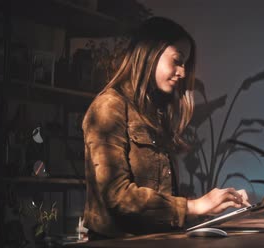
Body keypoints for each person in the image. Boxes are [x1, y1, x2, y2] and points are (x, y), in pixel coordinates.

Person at [82, 16, 250, 240]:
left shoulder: (154, 114)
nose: (182, 72)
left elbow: (161, 202)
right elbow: (118, 196)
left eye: (185, 64)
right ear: (149, 53)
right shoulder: (108, 107)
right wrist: (194, 206)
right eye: (177, 60)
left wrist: (209, 207)